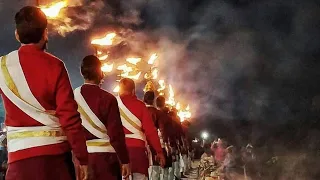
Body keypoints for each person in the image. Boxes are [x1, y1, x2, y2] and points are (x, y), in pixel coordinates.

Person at [0, 6, 88, 180]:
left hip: (18, 163)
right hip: (55, 162)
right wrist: (82, 157)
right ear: (45, 33)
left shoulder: (3, 66)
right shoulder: (56, 66)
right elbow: (69, 117)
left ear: (17, 34)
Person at [74, 55, 130, 180]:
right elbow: (116, 134)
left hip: (82, 159)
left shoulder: (73, 97)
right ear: (100, 74)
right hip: (106, 159)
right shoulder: (108, 99)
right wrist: (124, 160)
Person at [116, 78, 165, 179]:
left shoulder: (113, 103)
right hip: (137, 151)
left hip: (118, 151)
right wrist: (159, 151)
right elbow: (150, 131)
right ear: (133, 90)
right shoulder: (140, 105)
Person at [156, 96, 176, 180]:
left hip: (152, 144)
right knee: (165, 168)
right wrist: (169, 145)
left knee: (155, 169)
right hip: (163, 145)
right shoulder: (166, 117)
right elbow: (167, 132)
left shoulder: (151, 113)